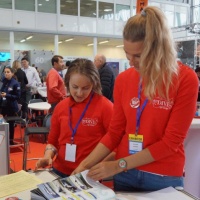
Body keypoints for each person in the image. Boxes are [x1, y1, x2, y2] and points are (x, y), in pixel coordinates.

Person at [72, 6, 199, 192]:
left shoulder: (185, 79)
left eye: (138, 55)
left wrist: (118, 165)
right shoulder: (124, 79)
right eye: (127, 53)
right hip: (126, 175)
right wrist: (84, 165)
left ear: (157, 49)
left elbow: (171, 142)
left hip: (162, 176)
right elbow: (114, 133)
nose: (131, 62)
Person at [36, 58, 113, 177]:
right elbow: (53, 142)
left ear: (94, 84)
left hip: (88, 175)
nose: (79, 93)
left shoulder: (106, 107)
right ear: (67, 83)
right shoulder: (61, 107)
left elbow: (115, 145)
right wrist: (47, 156)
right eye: (75, 87)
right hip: (60, 171)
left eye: (85, 88)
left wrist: (99, 164)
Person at [0, 67, 21, 145]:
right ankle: (3, 140)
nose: (6, 73)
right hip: (3, 105)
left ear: (12, 73)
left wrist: (7, 95)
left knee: (10, 124)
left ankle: (10, 141)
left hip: (11, 107)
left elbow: (18, 97)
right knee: (2, 123)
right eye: (5, 72)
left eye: (8, 72)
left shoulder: (15, 83)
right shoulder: (3, 82)